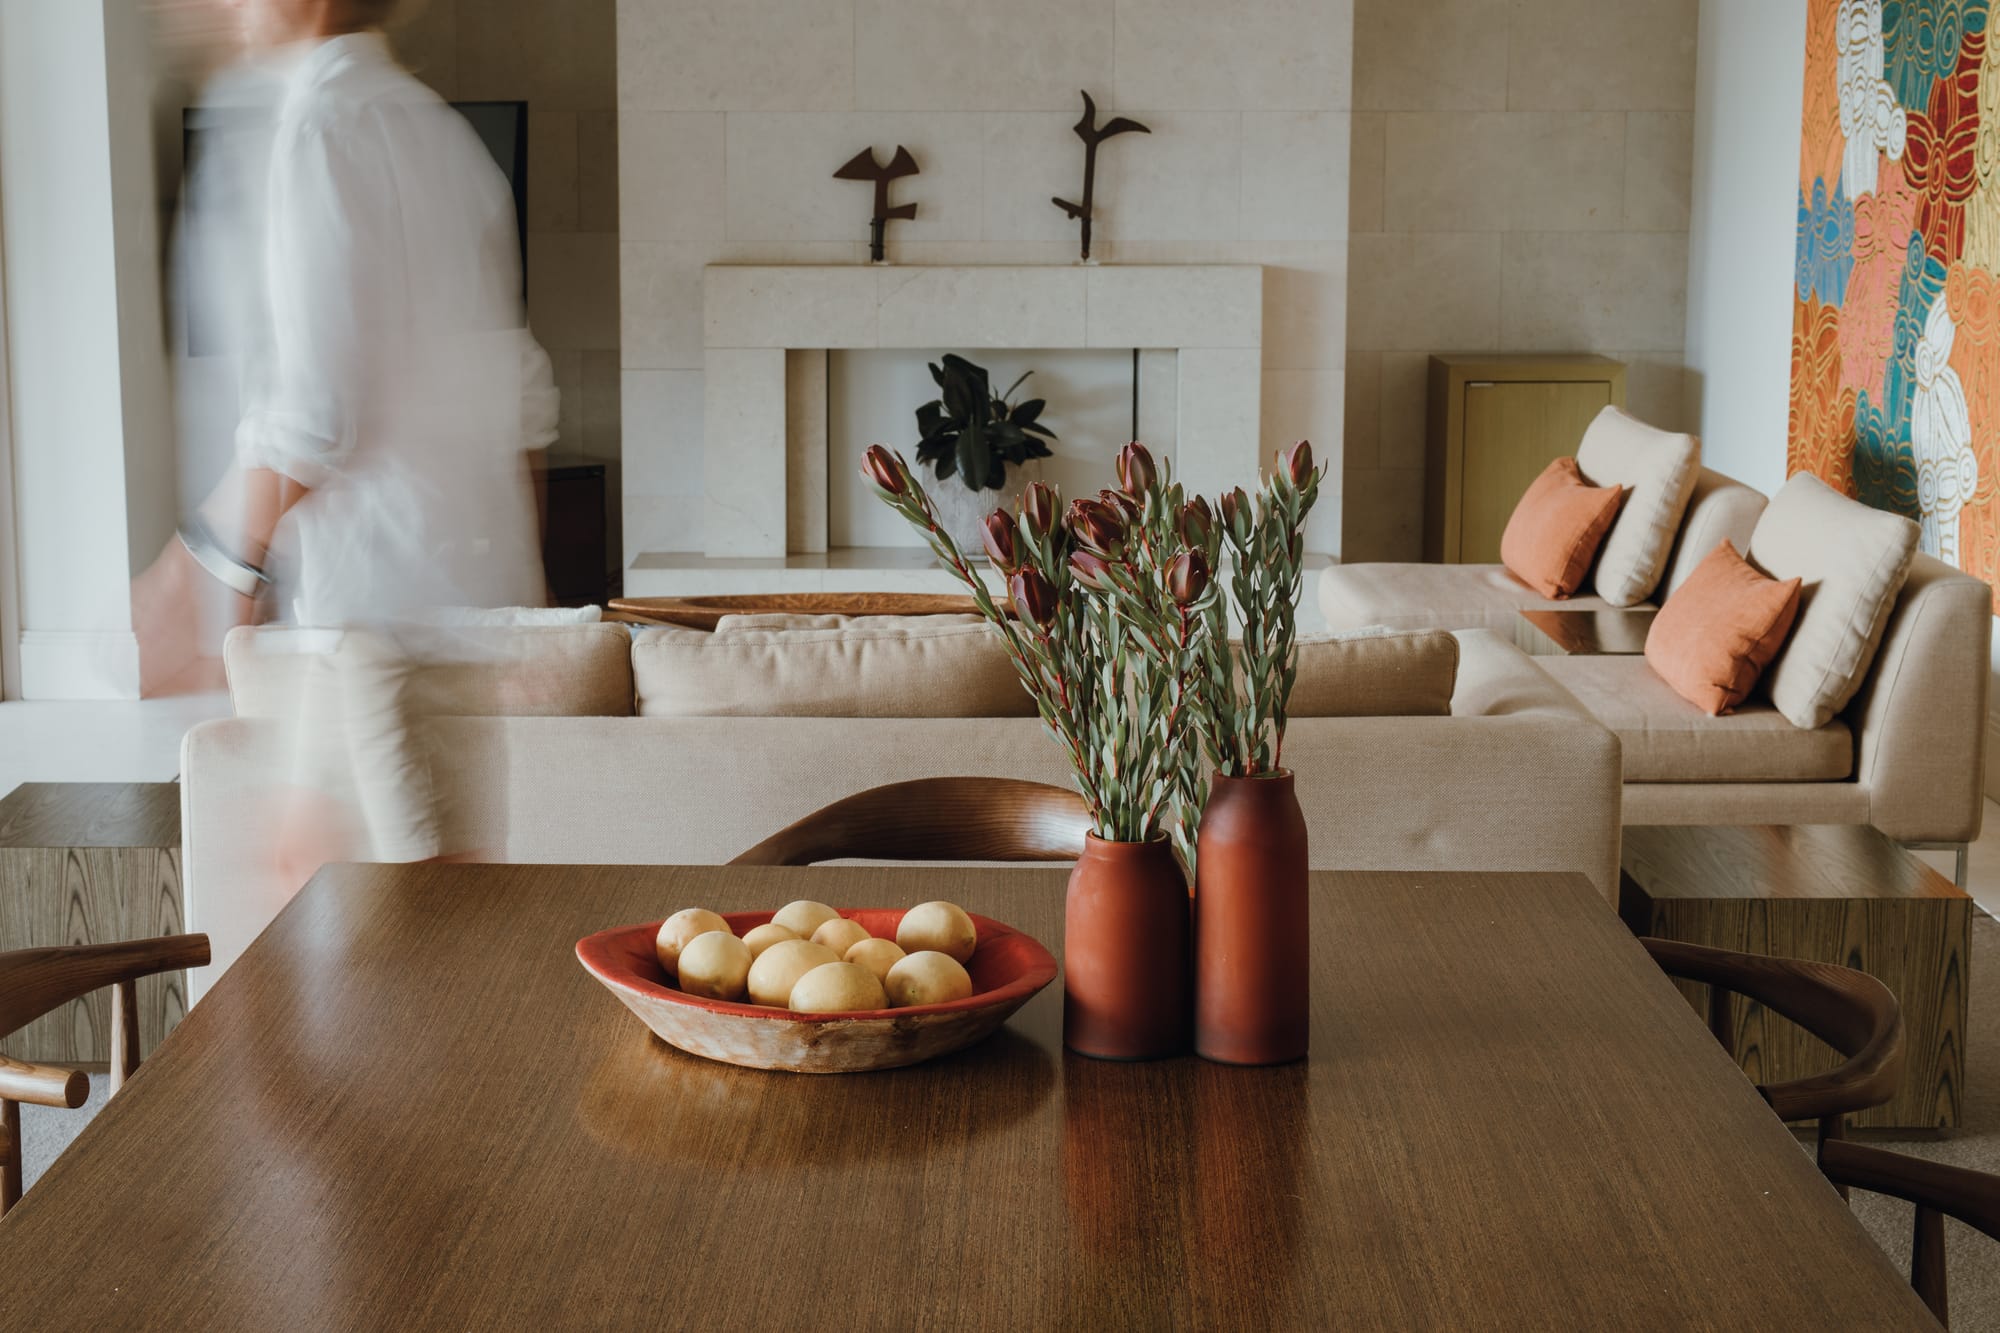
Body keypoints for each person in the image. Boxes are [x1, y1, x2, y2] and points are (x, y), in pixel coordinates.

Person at [133, 0, 559, 873]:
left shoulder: (324, 127)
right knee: (337, 895)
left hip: (383, 617)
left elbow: (314, 414)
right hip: (420, 613)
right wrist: (527, 597)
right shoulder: (434, 128)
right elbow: (519, 398)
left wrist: (200, 572)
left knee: (414, 940)